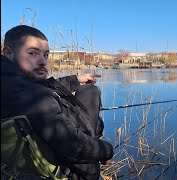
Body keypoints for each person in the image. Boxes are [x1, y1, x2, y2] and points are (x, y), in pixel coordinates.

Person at [1, 25, 113, 180]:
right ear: (8, 53)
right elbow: (74, 146)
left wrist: (74, 80)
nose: (43, 62)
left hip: (24, 160)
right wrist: (105, 149)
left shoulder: (12, 83)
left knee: (87, 91)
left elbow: (41, 85)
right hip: (70, 172)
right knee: (90, 92)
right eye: (32, 53)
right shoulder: (35, 98)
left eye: (46, 55)